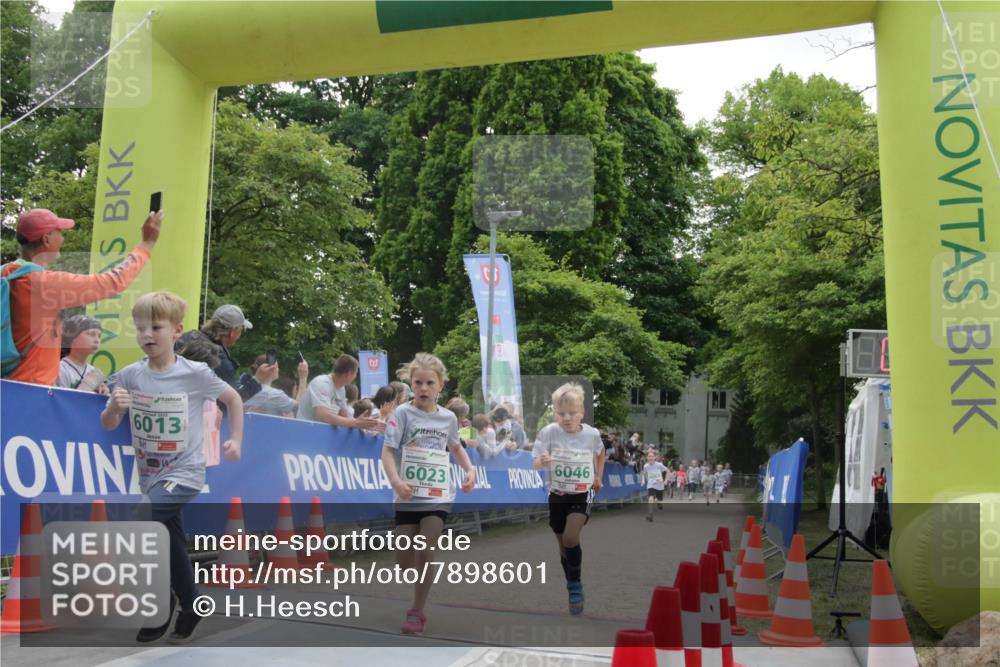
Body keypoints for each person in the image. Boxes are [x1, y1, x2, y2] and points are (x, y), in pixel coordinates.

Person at [100, 290, 243, 644]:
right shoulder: (131, 376)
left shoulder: (194, 373)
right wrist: (115, 409)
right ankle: (192, 604)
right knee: (171, 544)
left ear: (177, 331)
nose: (147, 335)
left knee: (138, 522)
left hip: (185, 473)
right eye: (140, 328)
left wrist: (235, 439)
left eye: (156, 327)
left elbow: (233, 398)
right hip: (151, 475)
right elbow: (107, 422)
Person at [2, 207, 161, 384]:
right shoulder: (43, 283)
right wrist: (145, 245)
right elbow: (112, 281)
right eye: (59, 232)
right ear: (46, 240)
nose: (63, 238)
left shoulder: (6, 273)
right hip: (32, 387)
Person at [380, 353, 476, 635]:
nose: (423, 388)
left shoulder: (448, 418)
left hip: (438, 495)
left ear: (440, 386)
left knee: (426, 546)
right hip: (408, 495)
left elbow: (456, 447)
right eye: (417, 382)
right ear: (411, 384)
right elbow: (387, 451)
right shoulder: (402, 414)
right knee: (404, 562)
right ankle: (414, 587)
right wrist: (396, 482)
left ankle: (417, 611)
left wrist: (469, 471)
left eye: (429, 383)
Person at [533, 383, 604, 615]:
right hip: (557, 495)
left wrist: (598, 476)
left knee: (572, 537)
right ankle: (572, 584)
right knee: (563, 545)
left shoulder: (591, 434)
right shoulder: (548, 433)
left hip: (582, 493)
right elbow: (535, 461)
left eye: (572, 413)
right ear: (554, 412)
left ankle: (575, 585)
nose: (566, 418)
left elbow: (601, 452)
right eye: (561, 413)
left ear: (581, 412)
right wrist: (541, 462)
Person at [296, 353, 383, 431]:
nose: (356, 376)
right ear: (349, 374)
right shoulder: (322, 383)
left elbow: (344, 416)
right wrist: (355, 422)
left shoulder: (341, 389)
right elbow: (324, 415)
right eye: (355, 373)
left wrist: (365, 423)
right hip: (304, 431)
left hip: (318, 434)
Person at [243, 354, 308, 417]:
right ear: (271, 369)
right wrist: (303, 377)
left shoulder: (243, 388)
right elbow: (300, 406)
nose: (278, 369)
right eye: (277, 367)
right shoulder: (274, 395)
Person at [56, 315, 108, 394]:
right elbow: (62, 403)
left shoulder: (93, 371)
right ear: (72, 337)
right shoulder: (60, 369)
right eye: (91, 334)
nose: (97, 340)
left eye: (99, 336)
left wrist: (103, 393)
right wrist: (89, 385)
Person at [641, 449, 667, 521]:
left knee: (659, 499)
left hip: (659, 485)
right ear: (647, 458)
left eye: (652, 456)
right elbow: (644, 473)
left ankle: (659, 503)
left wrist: (666, 480)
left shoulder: (659, 465)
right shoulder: (646, 466)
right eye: (649, 456)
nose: (650, 458)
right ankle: (650, 515)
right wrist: (643, 480)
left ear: (655, 457)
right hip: (651, 484)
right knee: (650, 498)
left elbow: (667, 471)